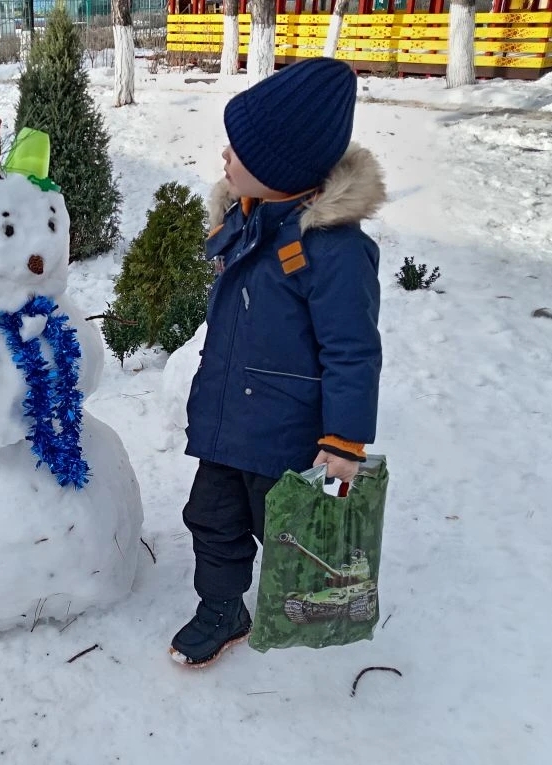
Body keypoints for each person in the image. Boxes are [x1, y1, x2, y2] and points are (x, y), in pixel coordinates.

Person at [170, 58, 387, 666]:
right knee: (211, 519)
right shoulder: (246, 222)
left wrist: (345, 442)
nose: (225, 155)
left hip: (289, 435)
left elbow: (353, 352)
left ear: (282, 168)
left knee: (293, 530)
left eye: (239, 149)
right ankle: (222, 609)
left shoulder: (335, 252)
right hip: (226, 421)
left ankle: (311, 599)